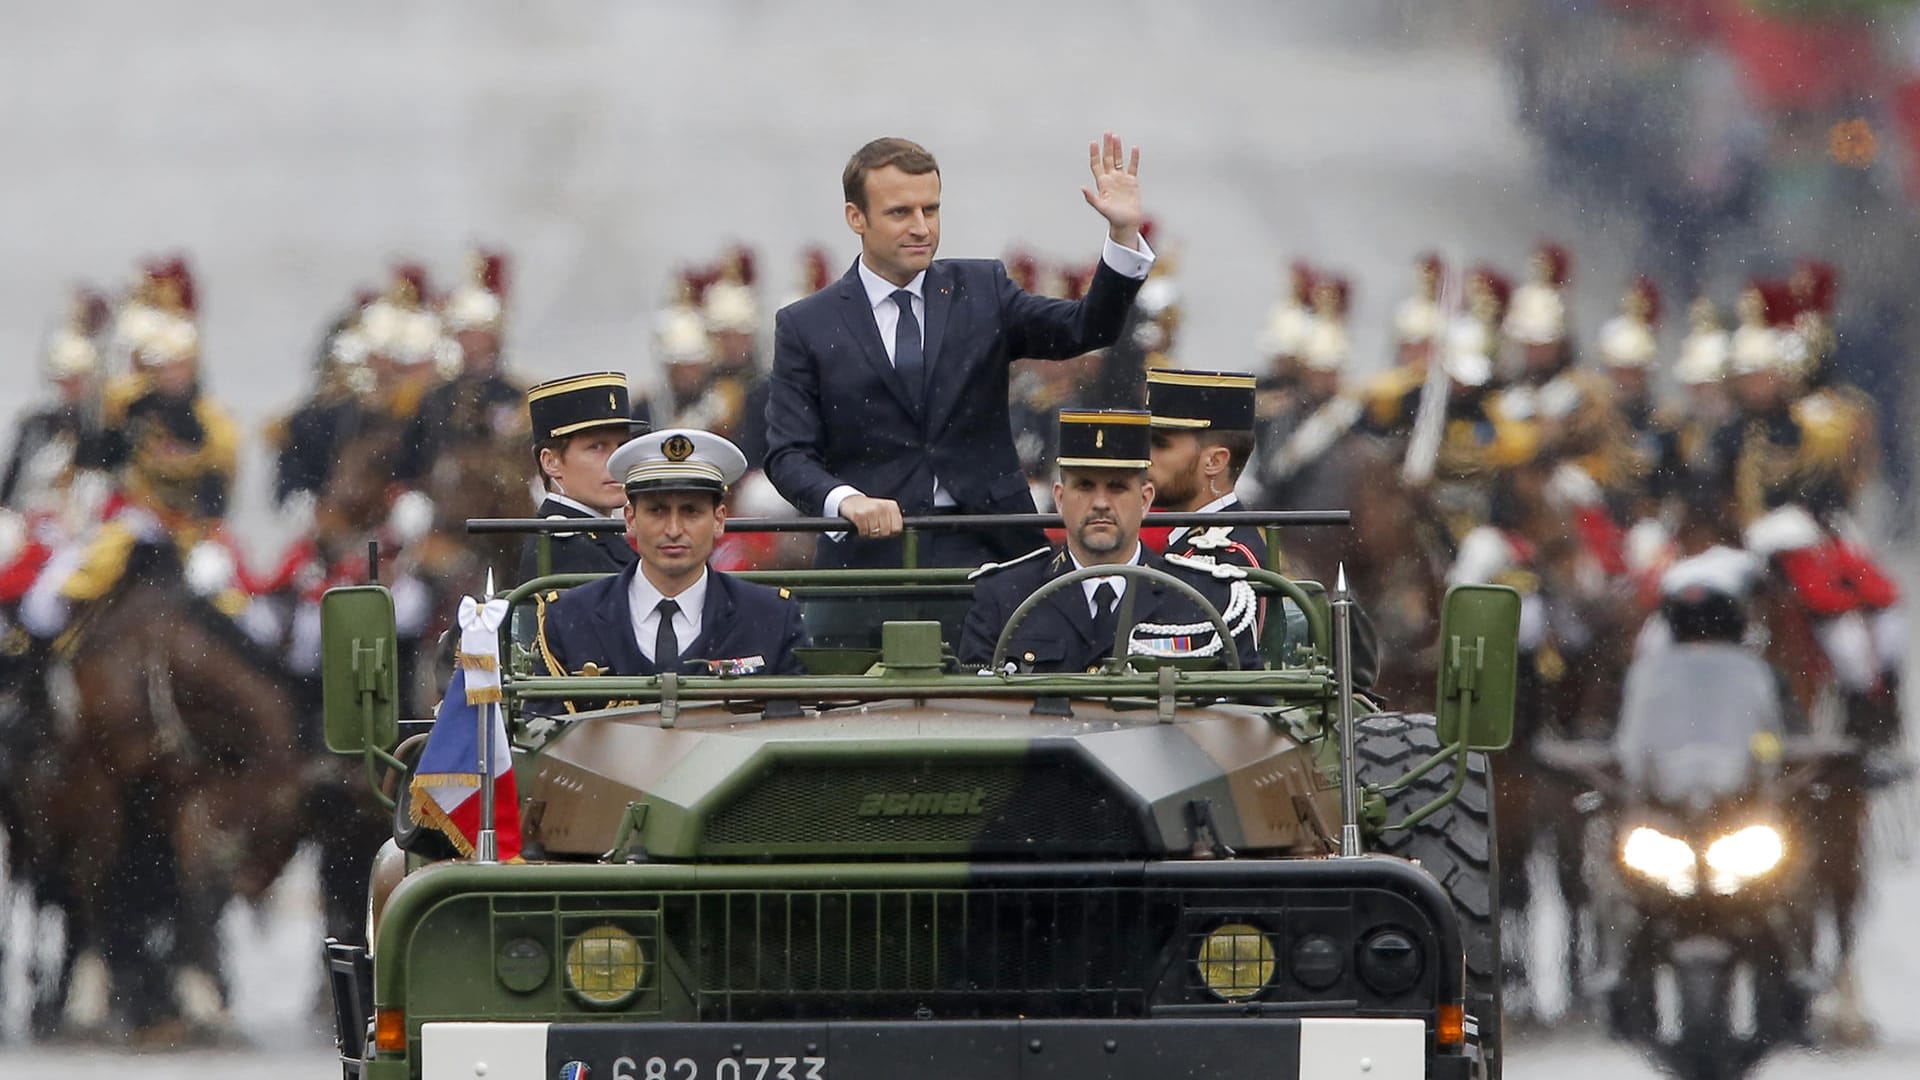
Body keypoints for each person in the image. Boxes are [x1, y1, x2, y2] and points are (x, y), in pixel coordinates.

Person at [765, 132, 1154, 569]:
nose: (921, 227)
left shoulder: (982, 289)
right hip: (868, 557)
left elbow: (1087, 328)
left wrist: (1122, 233)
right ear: (856, 217)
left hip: (993, 549)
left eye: (930, 209)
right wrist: (846, 501)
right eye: (900, 212)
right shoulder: (807, 324)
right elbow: (788, 454)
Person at [959, 410, 1258, 674]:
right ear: (1060, 499)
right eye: (1085, 486)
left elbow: (1248, 714)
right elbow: (974, 717)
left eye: (1117, 487)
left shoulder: (1205, 598)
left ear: (1145, 500)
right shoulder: (1005, 597)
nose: (1101, 503)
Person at [534, 428, 807, 693]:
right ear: (630, 519)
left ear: (719, 520)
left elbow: (799, 724)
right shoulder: (570, 615)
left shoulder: (771, 616)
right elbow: (542, 728)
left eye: (691, 511)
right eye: (657, 511)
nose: (674, 529)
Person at [517, 372, 648, 583]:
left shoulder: (596, 538)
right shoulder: (564, 548)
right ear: (551, 462)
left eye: (623, 446)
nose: (616, 461)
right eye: (596, 447)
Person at [1144, 368, 1266, 568]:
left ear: (1214, 462)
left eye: (1160, 445)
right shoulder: (1185, 539)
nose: (1145, 457)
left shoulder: (1229, 557)